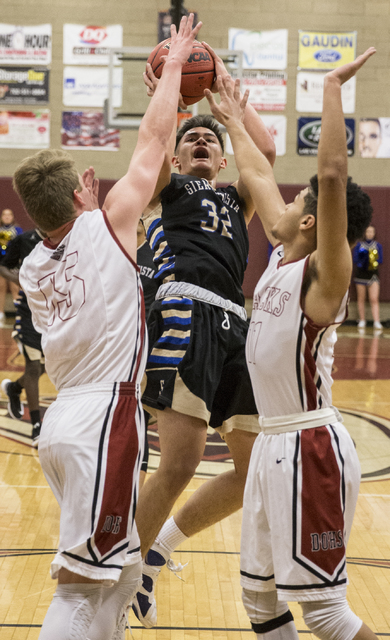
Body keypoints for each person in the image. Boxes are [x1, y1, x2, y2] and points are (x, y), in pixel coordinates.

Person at [13, 14, 202, 640]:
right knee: (79, 589)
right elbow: (152, 147)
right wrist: (173, 66)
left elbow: (80, 253)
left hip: (64, 421)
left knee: (118, 574)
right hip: (102, 421)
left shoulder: (32, 263)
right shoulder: (106, 223)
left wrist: (89, 215)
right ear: (79, 198)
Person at [205, 51, 378, 639]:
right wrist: (231, 117)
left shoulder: (325, 280)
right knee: (260, 602)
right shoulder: (283, 253)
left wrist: (330, 87)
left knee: (326, 615)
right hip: (274, 447)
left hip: (310, 446)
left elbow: (330, 178)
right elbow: (254, 172)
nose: (284, 201)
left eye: (299, 202)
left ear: (313, 221)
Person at [132, 45, 276, 628]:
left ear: (221, 161)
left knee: (253, 471)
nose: (201, 142)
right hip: (183, 315)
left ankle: (159, 547)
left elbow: (264, 154)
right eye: (191, 137)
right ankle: (121, 577)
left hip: (235, 327)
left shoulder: (236, 198)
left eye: (210, 141)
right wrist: (167, 92)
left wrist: (229, 105)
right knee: (181, 462)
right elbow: (152, 149)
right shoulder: (168, 190)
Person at [0, 227, 46, 447]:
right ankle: (37, 425)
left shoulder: (63, 239)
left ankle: (15, 388)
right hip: (28, 311)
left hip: (53, 313)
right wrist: (19, 280)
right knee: (33, 367)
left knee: (50, 366)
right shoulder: (23, 240)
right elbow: (3, 266)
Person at [137, 218, 159, 487]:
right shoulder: (114, 251)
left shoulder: (156, 257)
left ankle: (136, 494)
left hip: (146, 345)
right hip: (115, 346)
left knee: (139, 417)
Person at [353, 225, 383, 332]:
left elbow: (380, 260)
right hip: (361, 274)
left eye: (372, 232)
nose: (369, 233)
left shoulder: (378, 245)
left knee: (374, 299)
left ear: (374, 233)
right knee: (361, 298)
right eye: (368, 231)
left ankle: (377, 321)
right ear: (364, 233)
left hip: (373, 274)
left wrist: (372, 261)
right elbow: (355, 259)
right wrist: (363, 260)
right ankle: (362, 320)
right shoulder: (359, 245)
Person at [0, 208, 23, 327]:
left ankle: (19, 313)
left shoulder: (18, 230)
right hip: (1, 262)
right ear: (2, 217)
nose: (7, 217)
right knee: (1, 287)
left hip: (13, 263)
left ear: (13, 217)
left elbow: (20, 246)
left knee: (15, 287)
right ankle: (1, 313)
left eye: (9, 215)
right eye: (5, 215)